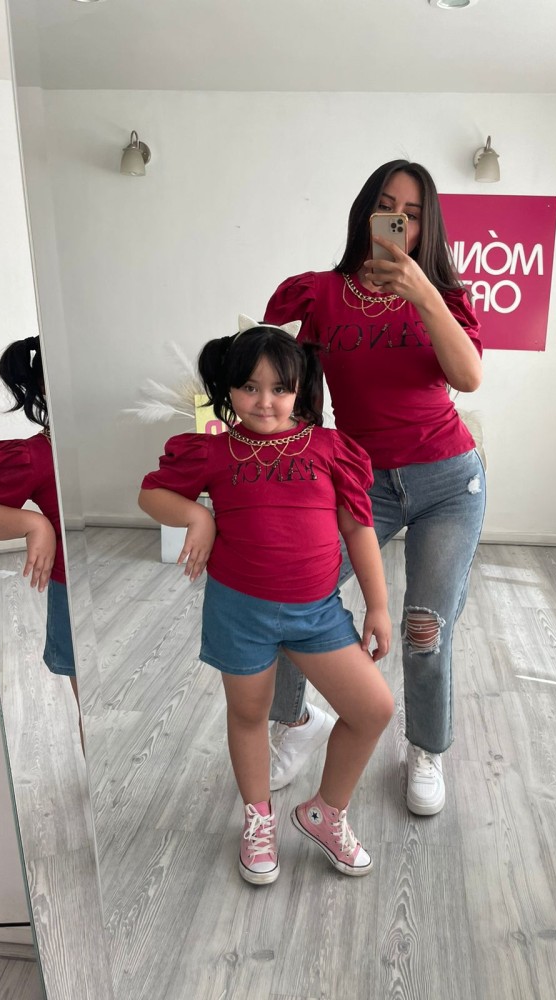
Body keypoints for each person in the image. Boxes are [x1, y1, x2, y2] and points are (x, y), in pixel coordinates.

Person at [261, 160, 486, 817]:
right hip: (362, 482)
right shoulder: (320, 295)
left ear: (425, 227)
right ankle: (297, 720)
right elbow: (297, 393)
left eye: (411, 214)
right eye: (386, 206)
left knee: (424, 627)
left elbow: (468, 377)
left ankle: (425, 748)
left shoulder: (444, 296)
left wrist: (423, 293)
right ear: (366, 211)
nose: (397, 220)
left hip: (448, 481)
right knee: (292, 591)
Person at [138, 318, 395, 885]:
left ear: (299, 390)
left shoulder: (329, 449)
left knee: (373, 709)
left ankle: (325, 813)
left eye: (279, 388)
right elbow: (151, 493)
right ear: (228, 389)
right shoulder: (213, 452)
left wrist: (377, 605)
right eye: (249, 387)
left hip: (318, 615)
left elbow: (358, 529)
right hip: (240, 613)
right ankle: (258, 819)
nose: (265, 401)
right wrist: (197, 515)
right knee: (250, 714)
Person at [0, 336, 84, 752]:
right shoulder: (35, 456)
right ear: (45, 387)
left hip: (135, 583)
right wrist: (34, 523)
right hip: (77, 595)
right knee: (97, 709)